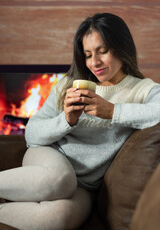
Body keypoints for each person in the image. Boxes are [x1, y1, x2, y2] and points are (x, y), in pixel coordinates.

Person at [0, 12, 160, 230]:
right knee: (61, 180)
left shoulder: (142, 90)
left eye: (103, 51)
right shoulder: (70, 83)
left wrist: (113, 111)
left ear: (122, 47)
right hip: (50, 156)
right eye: (87, 54)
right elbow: (32, 133)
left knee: (60, 217)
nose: (94, 62)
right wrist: (66, 120)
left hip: (85, 186)